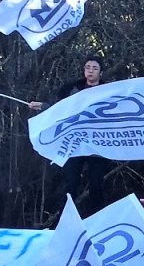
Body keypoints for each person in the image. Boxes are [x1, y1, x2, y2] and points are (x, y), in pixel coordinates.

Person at [29, 54, 111, 213]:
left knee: (96, 185)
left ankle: (98, 222)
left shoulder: (108, 91)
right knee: (70, 185)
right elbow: (59, 109)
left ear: (100, 73)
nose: (90, 71)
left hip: (97, 146)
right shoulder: (73, 89)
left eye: (95, 68)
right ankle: (65, 221)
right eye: (88, 67)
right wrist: (42, 106)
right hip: (75, 144)